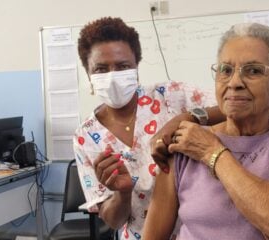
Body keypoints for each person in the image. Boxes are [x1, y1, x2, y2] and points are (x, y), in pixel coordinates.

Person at [143, 22, 269, 240]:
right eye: (225, 70)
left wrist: (211, 152)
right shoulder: (184, 144)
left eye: (253, 71)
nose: (234, 83)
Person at [73, 17, 224, 240]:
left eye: (123, 66)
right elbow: (114, 221)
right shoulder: (86, 137)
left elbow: (233, 107)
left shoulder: (172, 96)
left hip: (200, 232)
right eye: (101, 69)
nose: (113, 77)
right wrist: (122, 193)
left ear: (136, 68)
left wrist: (189, 116)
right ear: (89, 75)